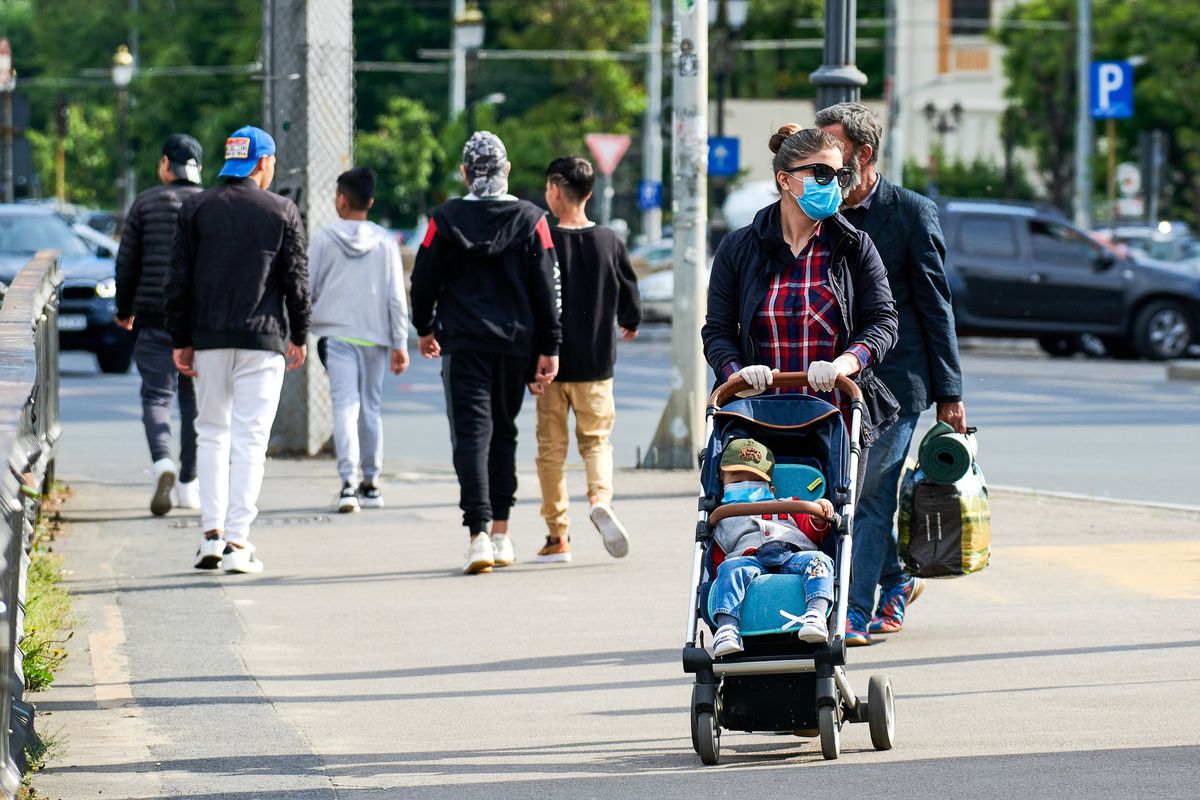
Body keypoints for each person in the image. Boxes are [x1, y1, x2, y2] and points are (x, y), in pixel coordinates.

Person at [816, 102, 966, 645]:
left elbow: (935, 307)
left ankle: (852, 612)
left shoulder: (911, 213)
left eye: (833, 148)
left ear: (864, 153)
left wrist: (950, 393)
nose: (824, 161)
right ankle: (897, 582)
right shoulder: (821, 214)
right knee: (843, 488)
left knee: (869, 490)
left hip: (900, 383)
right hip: (836, 379)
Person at [410, 131, 561, 575]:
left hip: (464, 342)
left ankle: (476, 536)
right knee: (503, 433)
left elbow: (423, 279)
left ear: (464, 172)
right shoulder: (532, 219)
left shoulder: (444, 219)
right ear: (507, 170)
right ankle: (501, 533)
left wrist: (423, 328)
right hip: (515, 346)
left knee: (471, 437)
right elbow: (547, 288)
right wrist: (549, 347)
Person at [165, 125, 311, 575]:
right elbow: (296, 281)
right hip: (262, 341)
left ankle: (210, 535)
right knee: (250, 441)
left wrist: (181, 340)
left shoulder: (196, 207)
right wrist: (300, 334)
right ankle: (238, 541)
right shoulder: (282, 210)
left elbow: (178, 280)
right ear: (263, 163)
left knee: (211, 433)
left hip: (208, 339)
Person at [701, 124, 899, 444]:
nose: (832, 183)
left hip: (835, 420)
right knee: (753, 496)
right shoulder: (738, 249)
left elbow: (884, 323)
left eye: (840, 174)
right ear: (785, 179)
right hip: (755, 417)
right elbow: (717, 331)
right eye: (821, 172)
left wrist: (844, 365)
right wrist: (737, 374)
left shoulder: (854, 246)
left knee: (827, 497)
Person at [532, 155, 642, 564]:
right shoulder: (609, 240)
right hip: (597, 365)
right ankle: (600, 498)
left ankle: (557, 536)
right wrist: (629, 320)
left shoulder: (542, 239)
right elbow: (629, 289)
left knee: (550, 450)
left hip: (549, 363)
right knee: (596, 442)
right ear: (590, 193)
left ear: (555, 190)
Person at [309, 167, 410, 513]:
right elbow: (396, 296)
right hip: (375, 338)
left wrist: (299, 327)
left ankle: (347, 484)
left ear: (341, 199)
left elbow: (307, 287)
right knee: (371, 407)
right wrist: (399, 343)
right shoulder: (385, 241)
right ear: (370, 201)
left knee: (344, 407)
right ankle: (372, 482)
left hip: (337, 336)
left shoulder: (324, 238)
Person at [114, 133, 204, 516]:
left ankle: (163, 461)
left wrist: (124, 308)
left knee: (156, 396)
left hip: (153, 317)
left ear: (166, 163)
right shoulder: (207, 203)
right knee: (193, 402)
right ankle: (189, 485)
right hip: (199, 322)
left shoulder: (145, 203)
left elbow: (126, 262)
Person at [709, 438, 836, 657]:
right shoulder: (724, 517)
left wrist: (820, 514)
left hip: (794, 555)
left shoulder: (789, 504)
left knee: (820, 561)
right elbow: (718, 559)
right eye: (737, 479)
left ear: (771, 488)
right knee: (729, 570)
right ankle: (727, 627)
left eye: (754, 479)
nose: (745, 484)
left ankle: (815, 615)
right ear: (722, 485)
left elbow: (814, 530)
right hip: (749, 558)